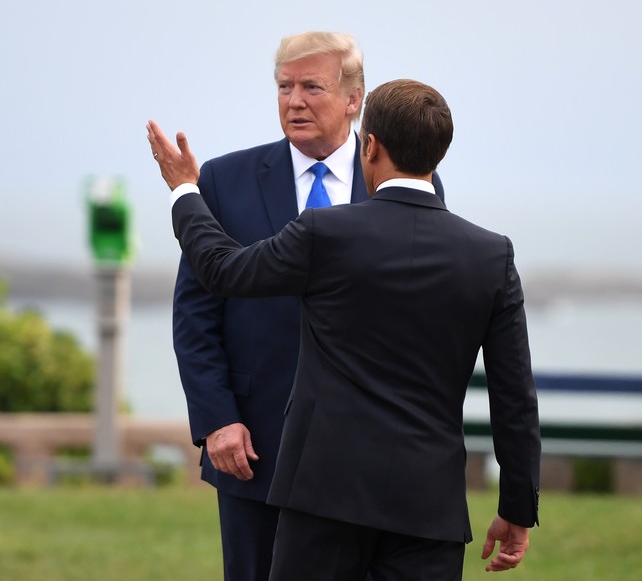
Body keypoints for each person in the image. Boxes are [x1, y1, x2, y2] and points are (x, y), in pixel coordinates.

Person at [148, 78, 540, 580]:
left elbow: (222, 269)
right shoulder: (491, 255)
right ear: (438, 155)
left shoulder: (326, 233)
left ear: (369, 146)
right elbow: (515, 397)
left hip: (321, 496)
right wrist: (517, 508)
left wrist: (184, 189)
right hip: (428, 506)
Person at [170, 32, 445, 581]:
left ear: (353, 99)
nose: (294, 101)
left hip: (369, 456)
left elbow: (421, 312)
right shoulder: (224, 180)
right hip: (253, 447)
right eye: (283, 87)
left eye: (312, 87)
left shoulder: (412, 182)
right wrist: (218, 418)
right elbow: (195, 314)